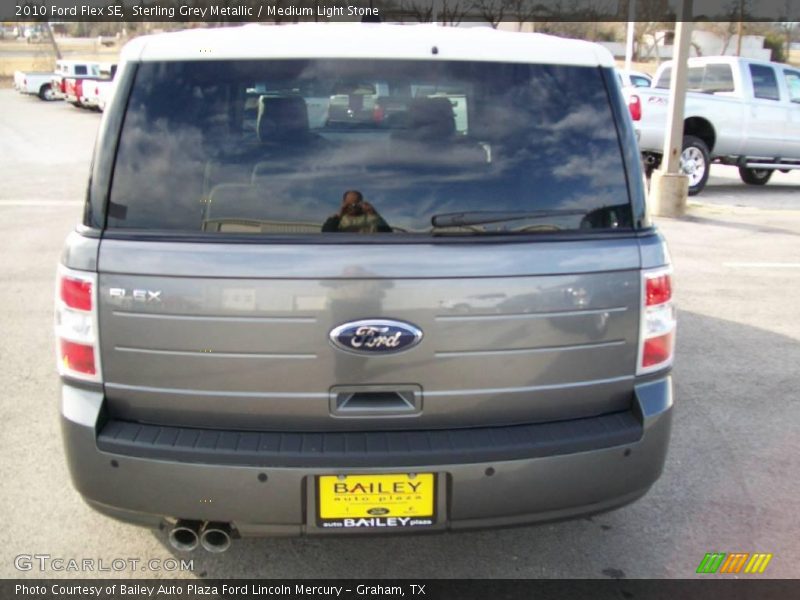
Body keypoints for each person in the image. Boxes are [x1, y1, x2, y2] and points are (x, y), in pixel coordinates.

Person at [322, 190, 392, 233]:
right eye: (349, 204)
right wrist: (340, 214)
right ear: (344, 203)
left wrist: (374, 213)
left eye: (356, 203)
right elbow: (326, 234)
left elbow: (388, 234)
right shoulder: (337, 220)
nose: (353, 206)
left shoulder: (373, 218)